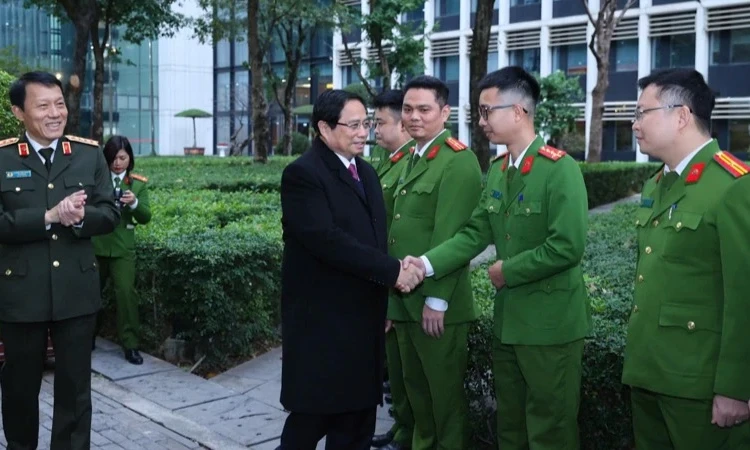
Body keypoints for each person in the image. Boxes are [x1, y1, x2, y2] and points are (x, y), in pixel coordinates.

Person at [404, 66, 591, 450]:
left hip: (550, 326)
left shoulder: (560, 170)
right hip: (510, 324)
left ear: (519, 111)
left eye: (488, 111)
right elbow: (474, 233)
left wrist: (509, 269)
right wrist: (424, 264)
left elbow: (567, 246)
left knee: (550, 430)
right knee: (511, 426)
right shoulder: (498, 170)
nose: (482, 121)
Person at [277, 89, 423, 450]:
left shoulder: (367, 173)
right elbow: (327, 240)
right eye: (354, 125)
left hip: (364, 318)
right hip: (323, 324)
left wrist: (387, 291)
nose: (364, 132)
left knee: (357, 421)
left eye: (367, 124)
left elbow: (376, 239)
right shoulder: (302, 175)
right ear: (325, 129)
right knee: (310, 420)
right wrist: (393, 272)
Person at [622, 68, 750, 449]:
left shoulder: (733, 186)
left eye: (643, 112)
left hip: (700, 386)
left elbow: (744, 297)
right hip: (648, 375)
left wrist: (736, 387)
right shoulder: (657, 184)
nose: (634, 123)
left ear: (681, 116)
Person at [0, 71, 119, 449]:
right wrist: (48, 216)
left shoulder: (87, 155)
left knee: (75, 390)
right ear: (19, 112)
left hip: (76, 292)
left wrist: (81, 217)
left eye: (60, 104)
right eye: (42, 106)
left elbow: (110, 212)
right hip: (21, 295)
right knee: (19, 389)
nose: (55, 113)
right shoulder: (2, 158)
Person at [387, 75, 482, 450]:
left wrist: (437, 299)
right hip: (405, 298)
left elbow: (455, 238)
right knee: (417, 394)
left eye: (424, 109)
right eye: (408, 109)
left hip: (437, 304)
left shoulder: (457, 161)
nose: (414, 117)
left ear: (445, 112)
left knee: (444, 401)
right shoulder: (413, 157)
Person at [370, 89, 416, 450]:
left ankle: (409, 431)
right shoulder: (387, 162)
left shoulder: (408, 164)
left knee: (408, 372)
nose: (374, 130)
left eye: (380, 122)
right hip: (386, 276)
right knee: (397, 370)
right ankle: (402, 427)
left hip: (403, 278)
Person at [92, 135, 152, 365]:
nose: (118, 163)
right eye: (113, 158)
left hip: (122, 249)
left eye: (122, 157)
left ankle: (130, 345)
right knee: (90, 295)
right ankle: (89, 336)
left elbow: (146, 217)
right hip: (96, 244)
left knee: (126, 295)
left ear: (129, 158)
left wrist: (134, 203)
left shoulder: (137, 183)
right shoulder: (97, 180)